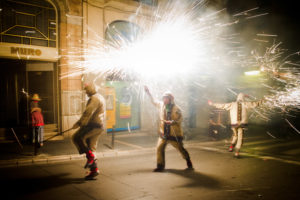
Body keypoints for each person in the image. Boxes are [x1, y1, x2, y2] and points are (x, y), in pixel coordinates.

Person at [144, 86, 193, 172]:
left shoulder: (176, 108)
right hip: (164, 134)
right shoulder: (161, 105)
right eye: (164, 98)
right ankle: (160, 166)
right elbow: (153, 101)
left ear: (171, 99)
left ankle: (189, 162)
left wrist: (173, 122)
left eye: (166, 98)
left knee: (181, 149)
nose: (164, 100)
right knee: (159, 148)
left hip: (174, 134)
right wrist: (148, 93)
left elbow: (180, 118)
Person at [208, 93, 263, 158]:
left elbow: (222, 105)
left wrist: (212, 104)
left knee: (235, 135)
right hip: (242, 124)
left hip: (234, 124)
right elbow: (255, 104)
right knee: (240, 138)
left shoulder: (232, 104)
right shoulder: (245, 104)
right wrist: (262, 100)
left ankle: (231, 146)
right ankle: (237, 152)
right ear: (243, 98)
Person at [72, 84, 105, 180]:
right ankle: (94, 170)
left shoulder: (94, 98)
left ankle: (90, 157)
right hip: (99, 126)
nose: (86, 92)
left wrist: (79, 123)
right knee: (91, 147)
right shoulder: (100, 97)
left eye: (87, 90)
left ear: (91, 89)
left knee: (77, 137)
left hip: (93, 125)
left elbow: (88, 112)